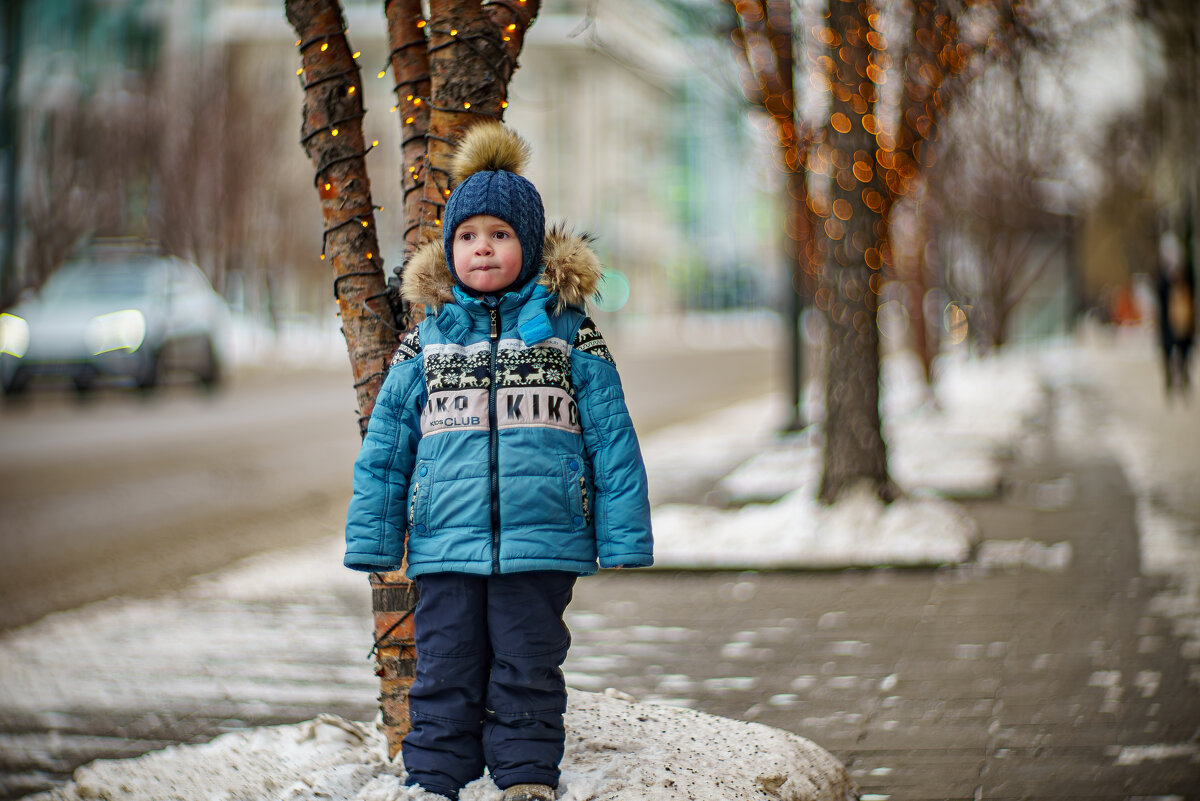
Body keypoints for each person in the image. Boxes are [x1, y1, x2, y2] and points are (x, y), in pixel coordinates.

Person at [343, 123, 654, 801]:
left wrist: (624, 532)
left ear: (530, 246)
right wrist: (373, 533)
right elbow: (388, 445)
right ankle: (435, 778)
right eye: (468, 235)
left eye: (501, 234)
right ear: (450, 249)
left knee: (528, 663)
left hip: (540, 541)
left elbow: (610, 433)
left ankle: (525, 776)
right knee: (445, 666)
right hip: (444, 544)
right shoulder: (427, 339)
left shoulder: (568, 331)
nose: (482, 246)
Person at [1156, 230, 1196, 395]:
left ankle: (1183, 375)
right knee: (1168, 348)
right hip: (1168, 321)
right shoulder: (1164, 278)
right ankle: (1171, 379)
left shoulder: (1186, 275)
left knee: (1183, 348)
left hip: (1184, 319)